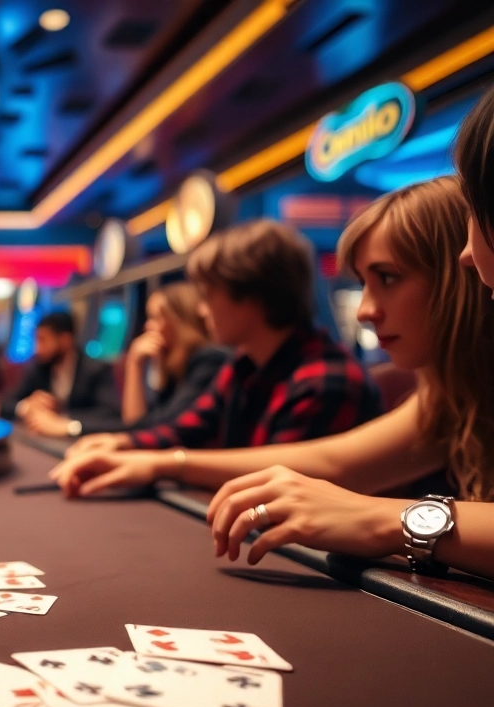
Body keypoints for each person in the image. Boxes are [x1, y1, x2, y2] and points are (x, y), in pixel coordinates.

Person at [52, 176, 494, 581]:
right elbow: (334, 461)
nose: (364, 311)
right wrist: (160, 461)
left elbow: (336, 479)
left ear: (463, 274)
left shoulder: (327, 376)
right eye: (364, 284)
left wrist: (378, 518)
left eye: (389, 278)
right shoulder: (449, 392)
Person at [64, 219, 379, 455]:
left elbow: (268, 480)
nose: (202, 310)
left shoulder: (325, 380)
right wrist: (119, 443)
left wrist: (155, 462)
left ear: (254, 297)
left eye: (209, 295)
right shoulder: (244, 365)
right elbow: (183, 429)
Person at [115, 283, 227, 430]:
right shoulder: (177, 367)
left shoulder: (209, 360)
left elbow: (161, 428)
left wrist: (134, 364)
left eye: (155, 318)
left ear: (179, 321)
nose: (147, 326)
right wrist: (134, 363)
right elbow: (137, 424)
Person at [0, 312, 120, 434]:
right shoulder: (39, 367)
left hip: (83, 444)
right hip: (43, 440)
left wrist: (67, 424)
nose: (37, 348)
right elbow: (4, 402)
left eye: (43, 340)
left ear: (65, 340)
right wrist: (26, 407)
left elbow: (111, 414)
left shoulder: (95, 369)